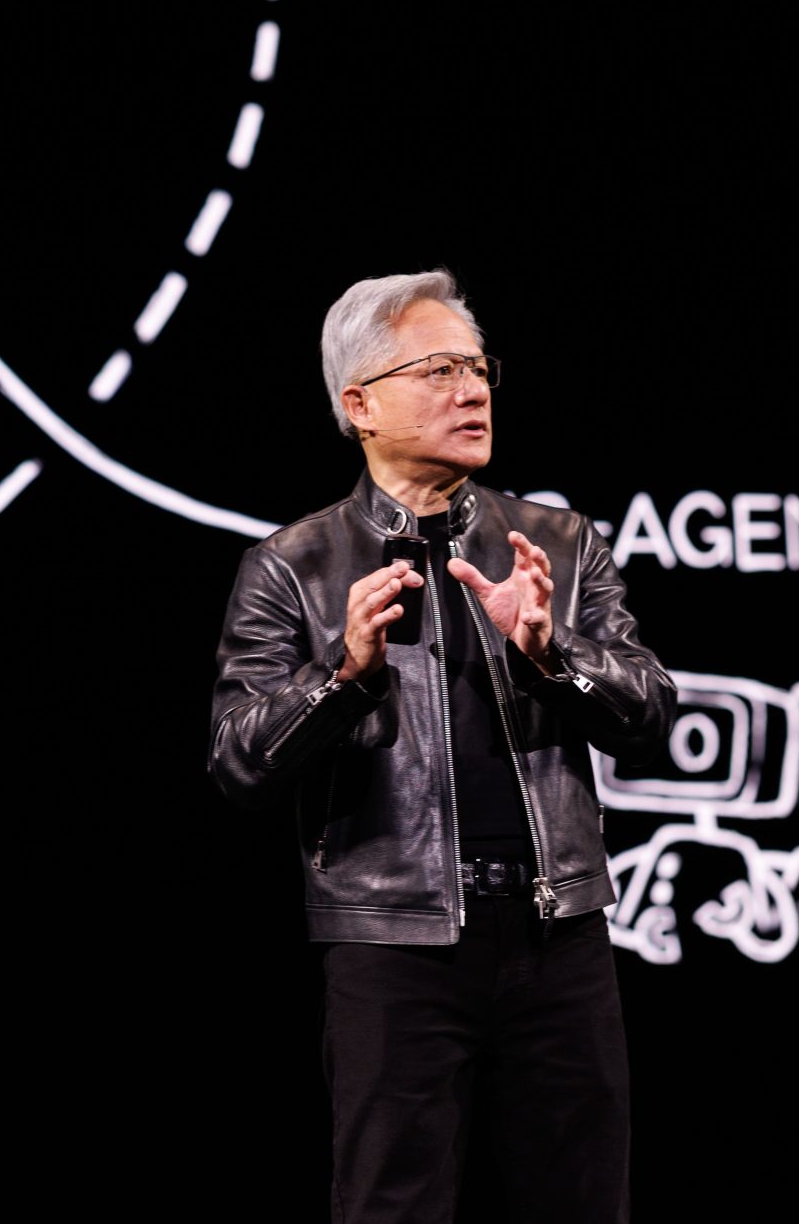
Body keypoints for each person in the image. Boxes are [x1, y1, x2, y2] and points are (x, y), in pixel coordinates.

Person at [207, 269, 674, 1223]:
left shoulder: (557, 541)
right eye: (438, 370)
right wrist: (343, 677)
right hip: (394, 948)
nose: (472, 391)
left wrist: (551, 654)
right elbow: (239, 763)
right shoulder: (291, 566)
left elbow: (650, 716)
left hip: (559, 937)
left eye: (478, 368)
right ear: (360, 406)